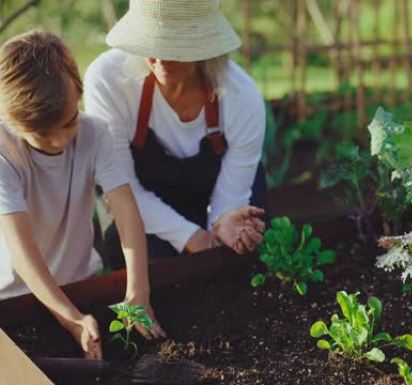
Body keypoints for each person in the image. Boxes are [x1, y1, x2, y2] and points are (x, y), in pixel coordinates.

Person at [0, 29, 165, 359]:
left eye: (69, 122)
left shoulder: (94, 135)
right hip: (12, 300)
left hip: (80, 284)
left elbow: (126, 211)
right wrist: (69, 318)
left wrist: (138, 291)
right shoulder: (5, 154)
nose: (61, 141)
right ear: (15, 123)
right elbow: (22, 252)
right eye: (42, 135)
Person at [84, 0, 268, 267]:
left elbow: (230, 197)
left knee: (244, 253)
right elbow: (122, 189)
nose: (160, 57)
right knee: (138, 256)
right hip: (141, 205)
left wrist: (222, 226)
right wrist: (193, 237)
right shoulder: (109, 79)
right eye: (152, 41)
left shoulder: (242, 96)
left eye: (174, 45)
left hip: (219, 195)